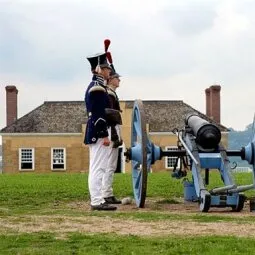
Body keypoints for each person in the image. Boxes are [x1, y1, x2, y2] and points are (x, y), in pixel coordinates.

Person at [84, 52, 117, 211]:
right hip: (98, 133)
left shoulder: (99, 87)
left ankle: (97, 200)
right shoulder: (97, 88)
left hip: (97, 132)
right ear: (98, 69)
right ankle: (96, 201)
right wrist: (104, 134)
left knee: (98, 167)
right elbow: (98, 114)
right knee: (98, 167)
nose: (109, 71)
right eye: (106, 68)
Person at [102, 65, 123, 204]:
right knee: (110, 164)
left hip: (113, 129)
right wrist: (116, 136)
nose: (119, 81)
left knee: (110, 164)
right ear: (111, 80)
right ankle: (106, 193)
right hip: (111, 130)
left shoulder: (111, 93)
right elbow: (109, 113)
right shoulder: (109, 94)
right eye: (117, 78)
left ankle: (106, 192)